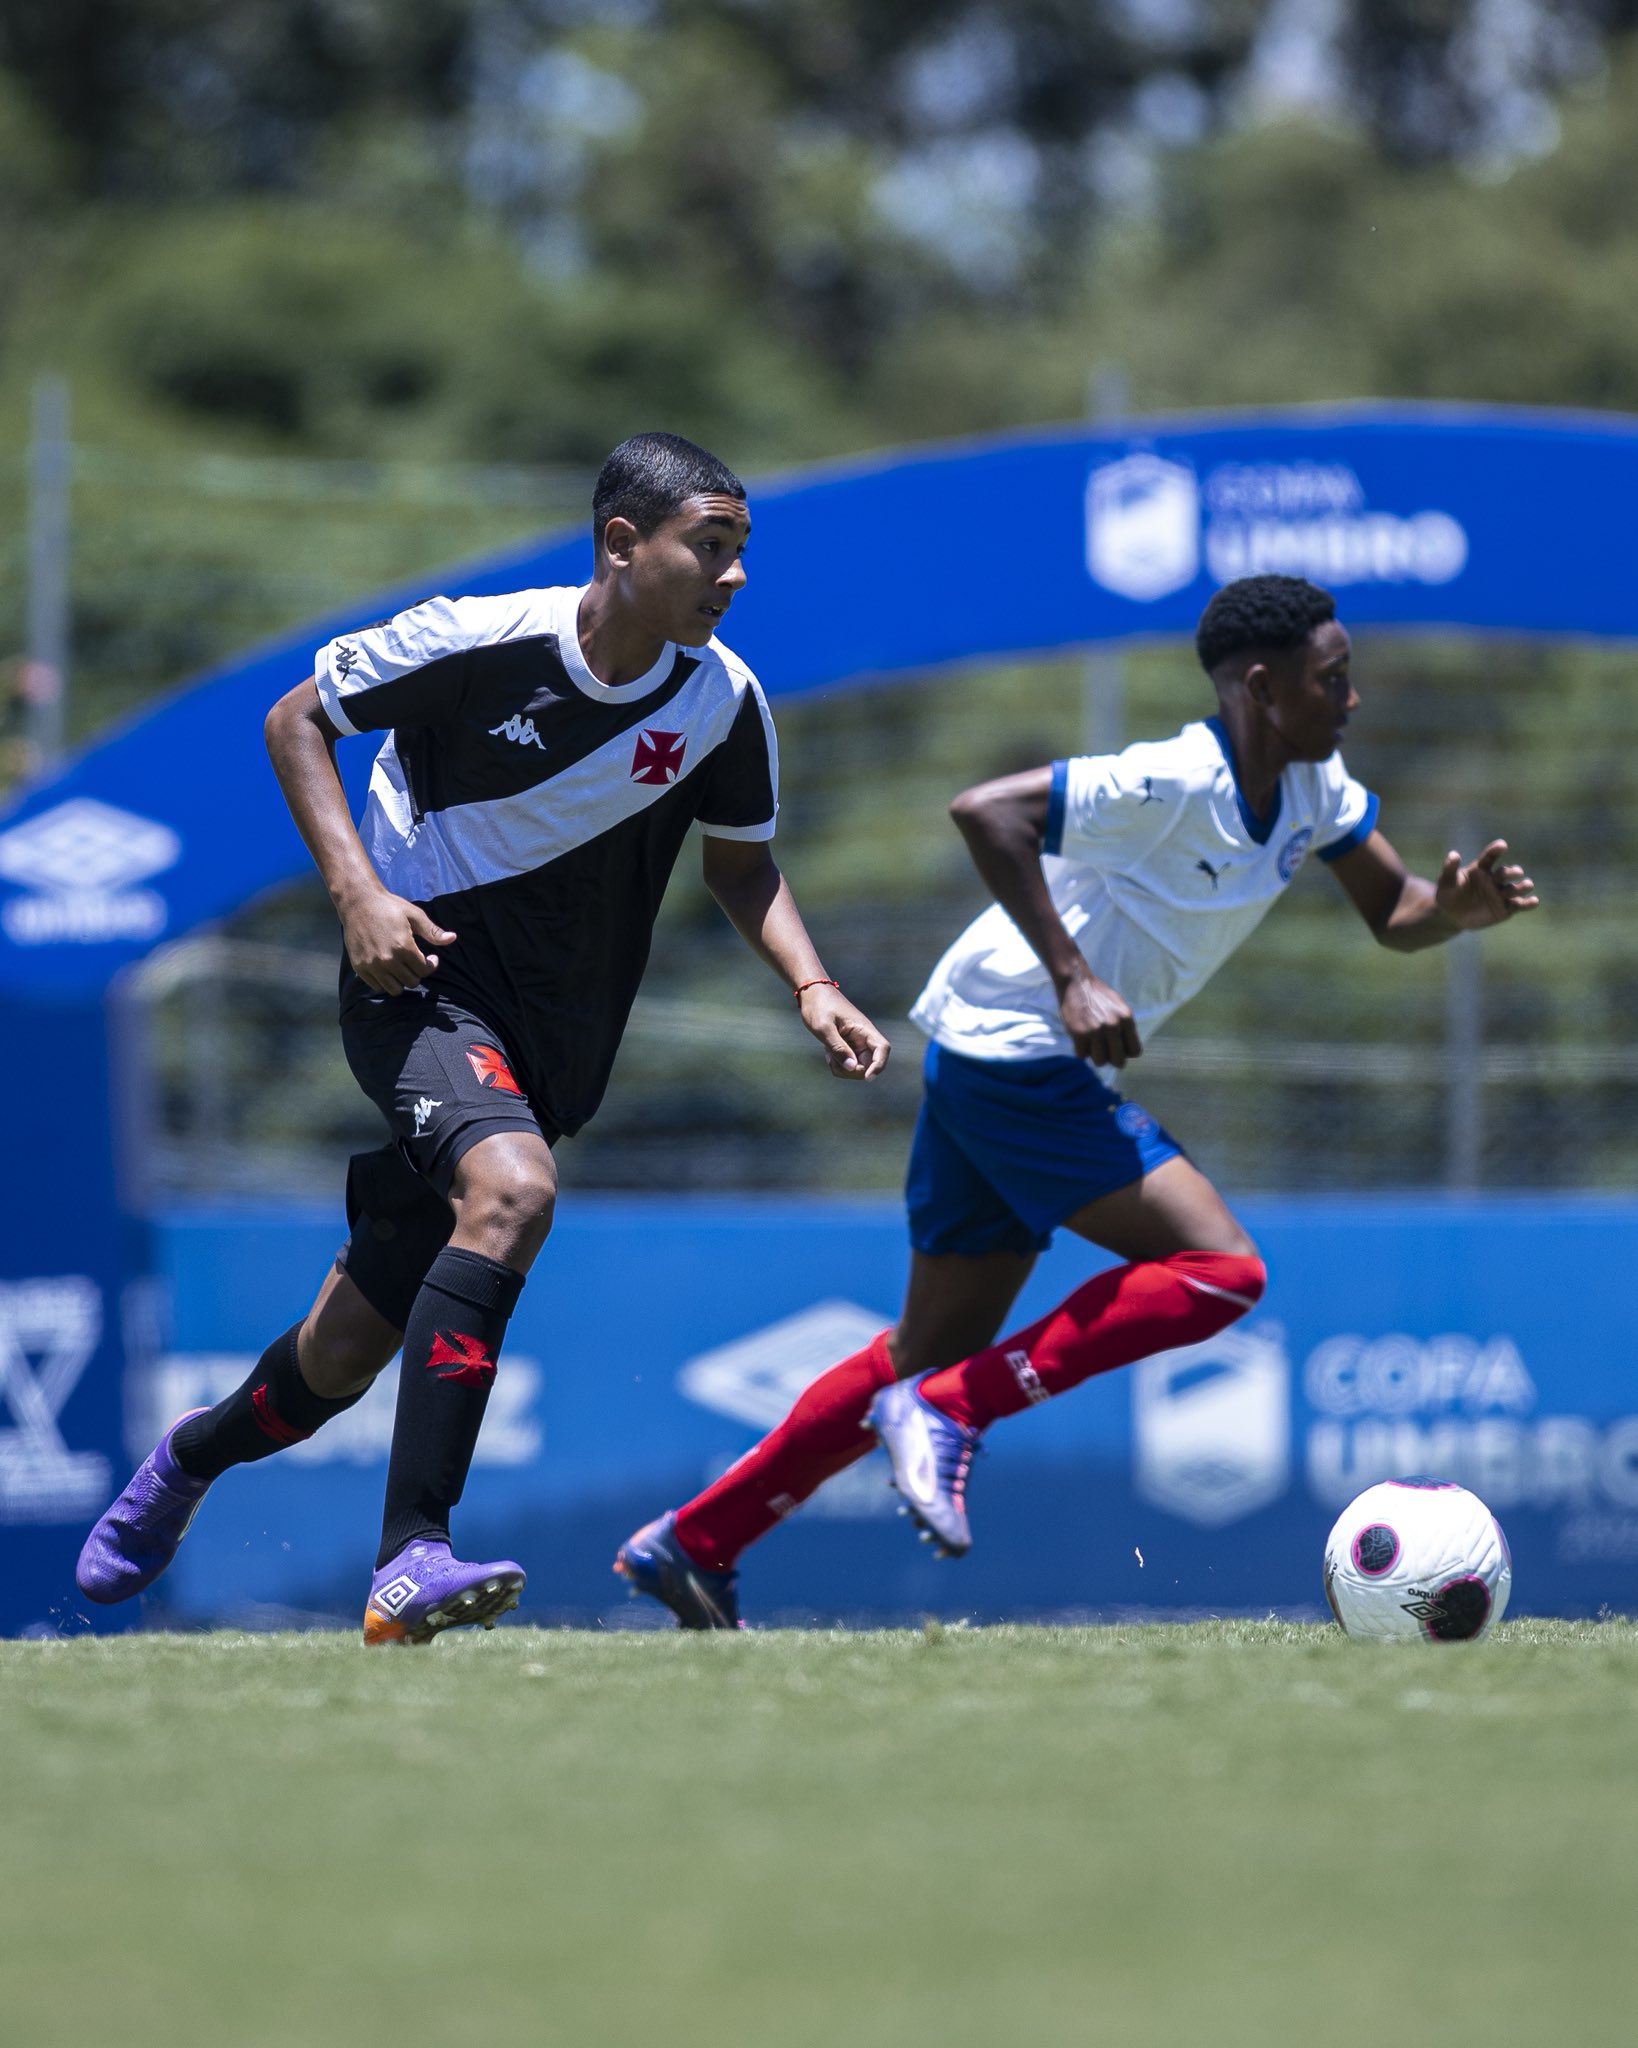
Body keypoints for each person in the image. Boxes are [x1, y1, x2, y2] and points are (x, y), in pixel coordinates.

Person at [77, 431, 888, 1644]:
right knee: (512, 1189)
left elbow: (742, 864)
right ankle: (411, 1556)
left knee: (340, 1354)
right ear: (622, 543)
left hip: (555, 1045)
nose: (734, 576)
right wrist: (357, 895)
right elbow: (297, 718)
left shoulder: (724, 699)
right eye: (711, 546)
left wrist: (812, 983)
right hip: (418, 987)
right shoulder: (476, 639)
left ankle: (189, 1457)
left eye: (741, 550)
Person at [615, 572, 1538, 1628]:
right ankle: (949, 1413)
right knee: (1219, 1271)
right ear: (1259, 687)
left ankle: (696, 1541)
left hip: (988, 1050)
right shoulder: (1174, 777)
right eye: (1332, 679)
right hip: (1019, 1052)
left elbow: (1394, 909)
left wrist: (1452, 911)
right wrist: (1072, 977)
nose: (1352, 697)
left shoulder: (1315, 787)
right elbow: (987, 812)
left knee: (922, 1350)